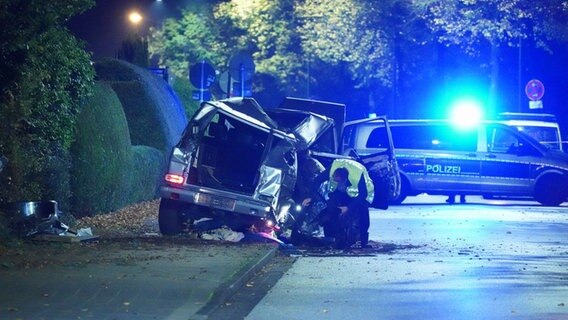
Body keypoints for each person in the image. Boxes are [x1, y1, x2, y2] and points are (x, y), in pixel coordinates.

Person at [304, 158, 375, 249]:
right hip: (341, 191)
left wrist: (348, 208)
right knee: (330, 207)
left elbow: (363, 194)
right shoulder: (332, 169)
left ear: (345, 180)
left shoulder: (357, 175)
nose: (336, 182)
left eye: (339, 181)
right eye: (335, 180)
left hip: (361, 193)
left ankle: (363, 241)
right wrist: (310, 197)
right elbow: (317, 181)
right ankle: (330, 238)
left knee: (363, 211)